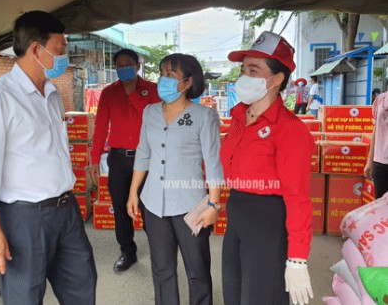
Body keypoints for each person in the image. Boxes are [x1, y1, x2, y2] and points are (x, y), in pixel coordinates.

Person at [0, 11, 97, 304]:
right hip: (24, 217)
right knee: (25, 294)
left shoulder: (51, 93)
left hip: (66, 209)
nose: (64, 57)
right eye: (60, 50)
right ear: (36, 49)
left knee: (82, 283)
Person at [220, 31, 314, 305]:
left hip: (268, 223)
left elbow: (298, 197)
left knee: (260, 297)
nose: (244, 76)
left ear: (276, 79)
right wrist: (211, 201)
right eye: (243, 69)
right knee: (234, 294)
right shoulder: (239, 117)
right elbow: (236, 169)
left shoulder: (289, 130)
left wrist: (297, 258)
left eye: (253, 69)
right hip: (236, 217)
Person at [127, 53, 224, 305]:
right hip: (153, 203)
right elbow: (143, 152)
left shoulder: (204, 116)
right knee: (162, 269)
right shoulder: (150, 112)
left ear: (188, 82)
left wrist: (214, 204)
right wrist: (133, 193)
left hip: (191, 206)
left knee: (197, 270)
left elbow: (213, 163)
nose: (164, 80)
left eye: (171, 74)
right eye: (162, 73)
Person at [90, 48, 160, 271]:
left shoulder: (152, 90)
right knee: (120, 206)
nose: (123, 68)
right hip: (119, 158)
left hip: (147, 158)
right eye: (119, 65)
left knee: (149, 207)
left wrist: (133, 95)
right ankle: (127, 252)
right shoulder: (109, 93)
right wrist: (94, 158)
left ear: (137, 66)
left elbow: (155, 117)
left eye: (127, 64)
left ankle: (160, 251)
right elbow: (101, 126)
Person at [364, 90, 388, 199]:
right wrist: (370, 160)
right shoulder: (380, 99)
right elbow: (375, 130)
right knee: (381, 205)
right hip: (380, 162)